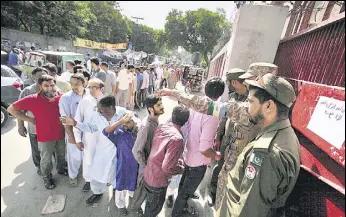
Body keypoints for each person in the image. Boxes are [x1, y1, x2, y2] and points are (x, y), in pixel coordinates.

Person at [215, 73, 300, 217]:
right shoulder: (285, 134)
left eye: (250, 101)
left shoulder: (267, 154)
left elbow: (247, 212)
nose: (247, 107)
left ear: (268, 106)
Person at [61, 95, 128, 206]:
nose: (98, 112)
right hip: (103, 150)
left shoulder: (123, 113)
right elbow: (90, 127)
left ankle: (118, 197)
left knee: (119, 176)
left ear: (111, 107)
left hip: (120, 152)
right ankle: (97, 193)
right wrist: (75, 124)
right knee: (97, 174)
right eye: (98, 109)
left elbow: (137, 124)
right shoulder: (97, 115)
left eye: (101, 110)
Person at [7, 75, 68, 190]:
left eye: (52, 85)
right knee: (46, 159)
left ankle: (61, 169)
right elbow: (11, 109)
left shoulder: (61, 97)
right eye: (46, 86)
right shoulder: (32, 99)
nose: (50, 88)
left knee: (61, 154)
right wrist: (29, 120)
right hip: (45, 137)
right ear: (40, 86)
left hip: (60, 134)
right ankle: (47, 177)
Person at [171, 92, 223, 217]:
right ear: (220, 93)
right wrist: (215, 155)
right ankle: (177, 213)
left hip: (188, 154)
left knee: (183, 185)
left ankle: (179, 208)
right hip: (198, 162)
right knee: (186, 191)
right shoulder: (213, 111)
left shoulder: (196, 105)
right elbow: (204, 149)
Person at [209, 68, 249, 206]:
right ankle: (212, 191)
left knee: (232, 172)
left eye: (228, 82)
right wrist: (218, 136)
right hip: (226, 139)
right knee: (219, 166)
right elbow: (224, 118)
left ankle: (224, 198)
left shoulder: (251, 100)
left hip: (239, 145)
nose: (227, 85)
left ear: (234, 82)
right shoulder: (233, 97)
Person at [142, 106, 190, 217]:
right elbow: (167, 167)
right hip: (158, 181)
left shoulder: (162, 126)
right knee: (153, 210)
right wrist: (180, 169)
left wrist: (176, 163)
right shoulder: (177, 139)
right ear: (186, 121)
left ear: (172, 116)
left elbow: (161, 153)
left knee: (149, 206)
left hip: (149, 172)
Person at [130, 95, 165, 215]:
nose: (162, 107)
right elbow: (136, 151)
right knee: (141, 189)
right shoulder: (146, 127)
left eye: (161, 104)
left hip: (152, 163)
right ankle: (135, 209)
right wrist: (145, 164)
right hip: (146, 165)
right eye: (158, 105)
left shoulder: (154, 121)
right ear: (150, 109)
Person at [70, 78, 105, 192]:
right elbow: (77, 120)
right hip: (89, 138)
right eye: (89, 87)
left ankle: (103, 179)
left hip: (105, 137)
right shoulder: (84, 102)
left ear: (101, 89)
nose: (90, 90)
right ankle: (88, 181)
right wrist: (78, 140)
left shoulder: (107, 100)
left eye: (93, 87)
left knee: (104, 159)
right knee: (88, 160)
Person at [103, 113, 140, 215]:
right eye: (124, 122)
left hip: (137, 167)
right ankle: (120, 206)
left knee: (135, 188)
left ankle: (135, 205)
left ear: (135, 122)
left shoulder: (140, 132)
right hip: (123, 167)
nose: (125, 125)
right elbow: (105, 131)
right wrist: (121, 121)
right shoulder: (120, 134)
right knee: (121, 188)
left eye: (128, 122)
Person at [59, 74, 89, 188]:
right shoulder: (66, 98)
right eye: (72, 84)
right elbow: (65, 119)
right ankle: (73, 176)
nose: (74, 86)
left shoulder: (90, 95)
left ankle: (89, 177)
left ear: (84, 83)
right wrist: (71, 136)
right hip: (74, 131)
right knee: (74, 156)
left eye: (77, 84)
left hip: (89, 131)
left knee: (89, 155)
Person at [17, 67, 48, 175]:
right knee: (36, 150)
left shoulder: (52, 89)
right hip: (34, 129)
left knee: (51, 149)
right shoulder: (28, 91)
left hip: (50, 128)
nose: (42, 78)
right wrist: (21, 126)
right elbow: (19, 110)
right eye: (39, 76)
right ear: (33, 77)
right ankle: (39, 166)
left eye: (44, 76)